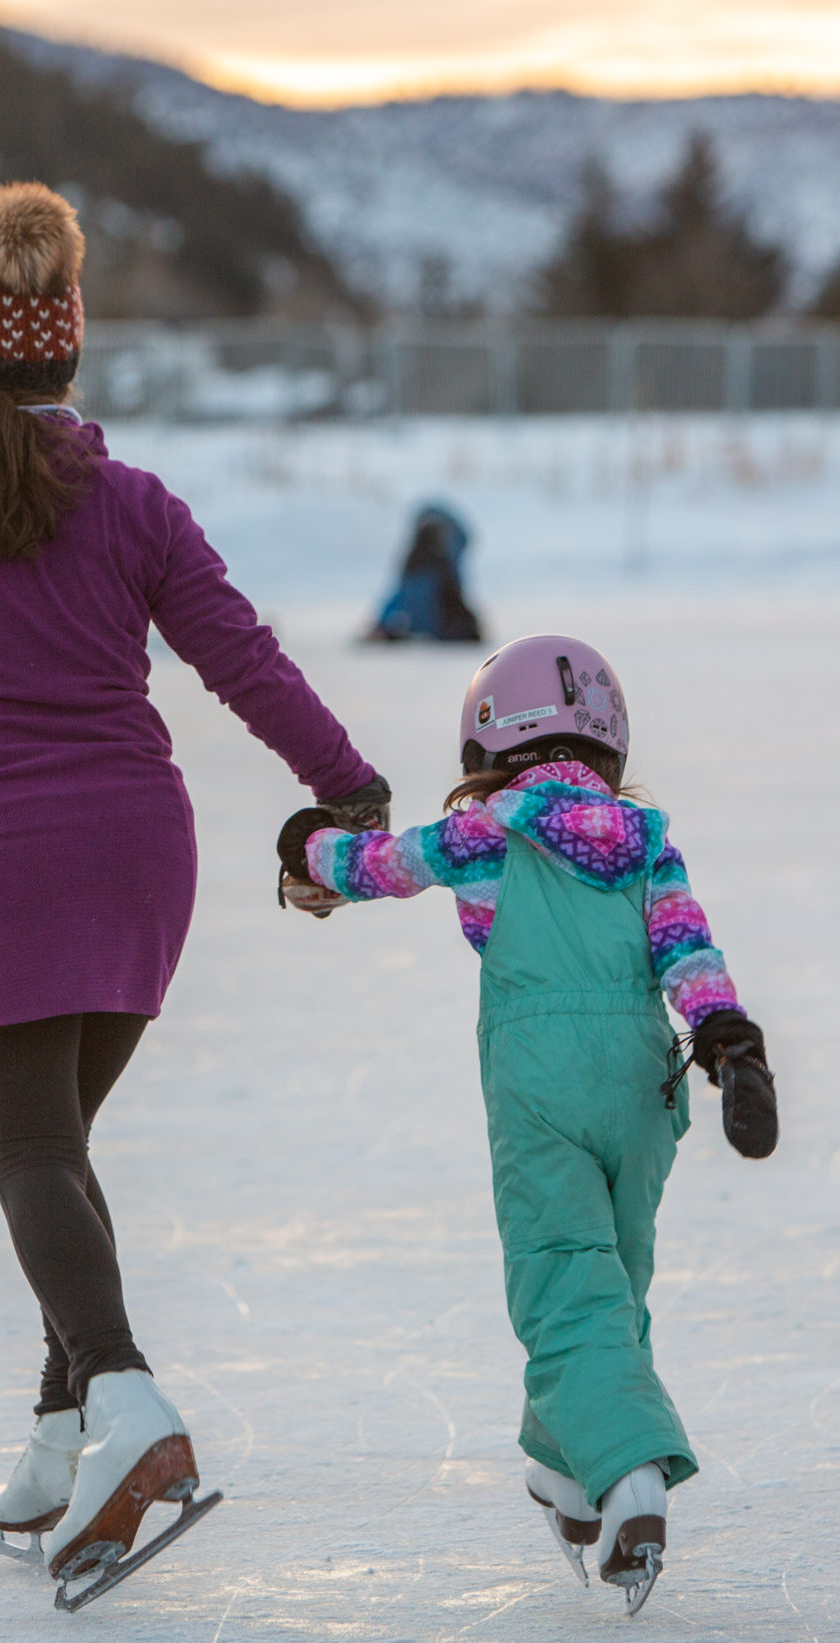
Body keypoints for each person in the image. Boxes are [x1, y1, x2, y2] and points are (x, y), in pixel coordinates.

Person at [0, 183, 389, 1598]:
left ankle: (129, 1399)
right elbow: (244, 655)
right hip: (136, 856)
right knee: (58, 1145)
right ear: (67, 352)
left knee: (33, 1156)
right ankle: (61, 1433)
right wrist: (348, 786)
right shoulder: (132, 503)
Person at [274, 634, 779, 1616]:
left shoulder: (492, 829)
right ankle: (559, 1464)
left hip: (542, 1088)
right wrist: (728, 1040)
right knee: (611, 1283)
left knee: (560, 1279)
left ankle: (629, 1474)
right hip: (644, 1088)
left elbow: (384, 864)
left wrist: (307, 850)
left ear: (486, 743)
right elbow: (688, 948)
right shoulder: (646, 843)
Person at [366, 500, 483, 642]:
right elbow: (456, 602)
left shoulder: (413, 566)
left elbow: (396, 598)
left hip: (428, 627)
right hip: (440, 629)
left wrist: (381, 625)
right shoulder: (442, 568)